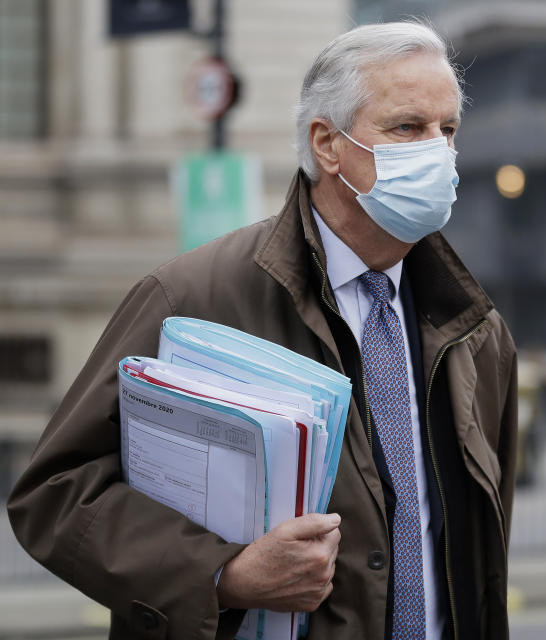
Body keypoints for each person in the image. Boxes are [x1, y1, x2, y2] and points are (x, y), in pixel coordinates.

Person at [6, 22, 517, 640]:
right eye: (408, 127)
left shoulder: (477, 331)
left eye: (448, 130)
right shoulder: (192, 298)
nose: (437, 150)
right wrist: (224, 575)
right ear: (328, 144)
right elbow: (55, 495)